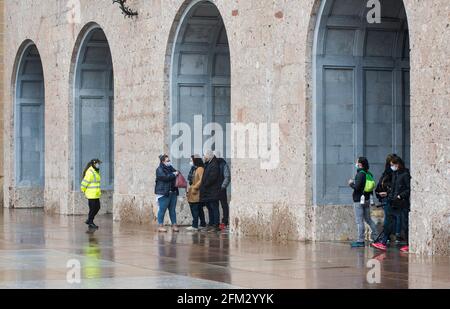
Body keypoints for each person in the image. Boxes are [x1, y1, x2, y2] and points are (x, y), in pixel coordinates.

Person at [372, 156, 411, 252]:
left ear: (398, 164)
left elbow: (408, 189)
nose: (391, 167)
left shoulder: (405, 174)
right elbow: (393, 188)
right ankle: (383, 242)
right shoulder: (395, 174)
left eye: (393, 165)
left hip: (402, 204)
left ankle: (408, 244)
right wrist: (388, 194)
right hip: (393, 203)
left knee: (405, 224)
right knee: (388, 223)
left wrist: (400, 196)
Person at [348, 157, 379, 248]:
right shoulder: (369, 174)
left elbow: (357, 187)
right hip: (367, 199)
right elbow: (370, 189)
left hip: (358, 200)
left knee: (359, 221)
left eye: (357, 162)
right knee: (368, 219)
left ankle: (360, 240)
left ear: (360, 164)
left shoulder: (360, 174)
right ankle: (376, 237)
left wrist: (350, 183)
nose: (356, 163)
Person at [375, 154, 402, 242]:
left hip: (389, 198)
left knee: (390, 218)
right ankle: (388, 236)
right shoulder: (388, 173)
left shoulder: (395, 174)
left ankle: (387, 237)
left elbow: (396, 187)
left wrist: (387, 193)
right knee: (390, 217)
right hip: (386, 197)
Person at [155, 154, 180, 233]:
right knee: (162, 209)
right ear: (163, 162)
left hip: (173, 192)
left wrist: (176, 173)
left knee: (172, 210)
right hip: (164, 192)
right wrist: (174, 174)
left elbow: (177, 173)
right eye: (167, 161)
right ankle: (160, 225)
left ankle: (174, 224)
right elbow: (165, 177)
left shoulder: (170, 168)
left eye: (169, 160)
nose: (169, 162)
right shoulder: (159, 169)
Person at [200, 150, 222, 232]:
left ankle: (216, 225)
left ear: (209, 156)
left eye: (205, 156)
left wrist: (204, 184)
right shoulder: (209, 164)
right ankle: (211, 223)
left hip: (213, 191)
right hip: (208, 191)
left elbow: (212, 178)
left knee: (214, 208)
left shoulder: (214, 164)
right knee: (210, 208)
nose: (204, 157)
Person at [81, 159, 103, 230]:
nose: (98, 165)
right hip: (91, 194)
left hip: (96, 194)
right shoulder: (90, 172)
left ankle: (89, 220)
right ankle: (90, 221)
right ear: (94, 164)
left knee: (97, 207)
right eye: (97, 164)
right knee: (93, 209)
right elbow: (84, 182)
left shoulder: (96, 171)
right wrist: (83, 190)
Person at [186, 155, 206, 232]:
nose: (191, 162)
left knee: (195, 208)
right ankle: (202, 224)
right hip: (194, 191)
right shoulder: (195, 168)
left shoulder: (200, 169)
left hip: (196, 192)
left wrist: (195, 187)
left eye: (191, 160)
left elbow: (201, 180)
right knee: (199, 209)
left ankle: (195, 225)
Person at [214, 151, 231, 229]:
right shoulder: (213, 164)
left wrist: (223, 186)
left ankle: (225, 221)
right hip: (214, 189)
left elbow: (227, 177)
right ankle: (216, 222)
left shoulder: (224, 164)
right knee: (215, 205)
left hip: (221, 189)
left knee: (224, 205)